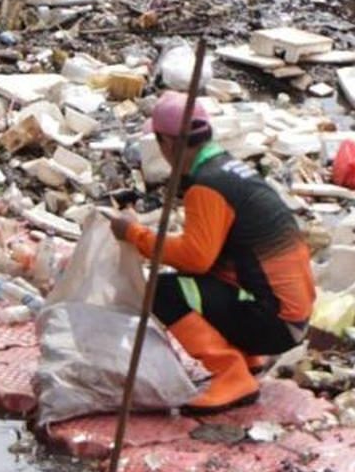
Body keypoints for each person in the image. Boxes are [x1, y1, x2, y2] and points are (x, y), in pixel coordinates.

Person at [108, 91, 315, 414]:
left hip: (273, 321)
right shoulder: (230, 170)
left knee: (160, 291)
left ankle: (231, 373)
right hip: (291, 315)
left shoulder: (207, 185)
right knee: (193, 278)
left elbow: (196, 256)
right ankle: (247, 358)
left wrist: (135, 234)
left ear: (170, 144)